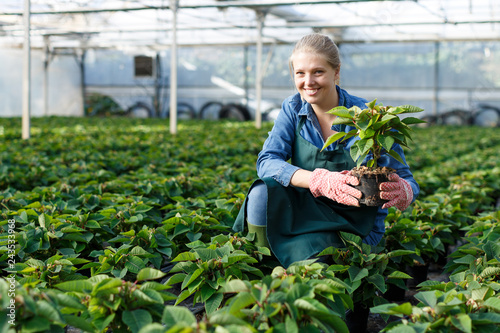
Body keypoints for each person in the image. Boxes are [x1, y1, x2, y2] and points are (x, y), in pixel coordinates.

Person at [233, 33, 419, 268]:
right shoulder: (293, 108)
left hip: (352, 222)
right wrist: (319, 180)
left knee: (317, 264)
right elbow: (267, 161)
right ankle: (262, 265)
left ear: (336, 72)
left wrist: (404, 191)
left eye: (318, 72)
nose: (308, 82)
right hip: (305, 209)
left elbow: (407, 180)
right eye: (300, 73)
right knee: (261, 193)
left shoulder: (369, 117)